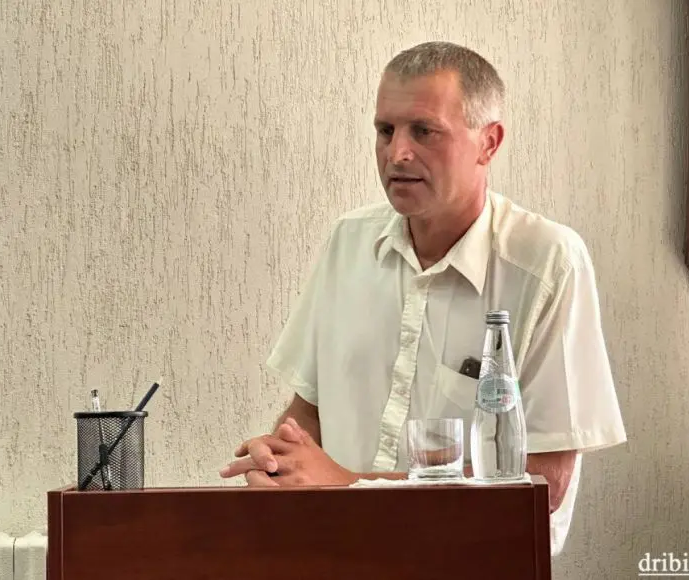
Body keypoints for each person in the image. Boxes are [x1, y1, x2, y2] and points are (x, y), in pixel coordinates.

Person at [220, 41, 627, 554]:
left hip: (472, 561)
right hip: (336, 554)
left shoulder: (548, 262)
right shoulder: (349, 241)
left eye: (424, 131)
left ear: (489, 143)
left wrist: (349, 484)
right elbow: (309, 412)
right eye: (385, 130)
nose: (397, 154)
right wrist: (279, 459)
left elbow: (545, 482)